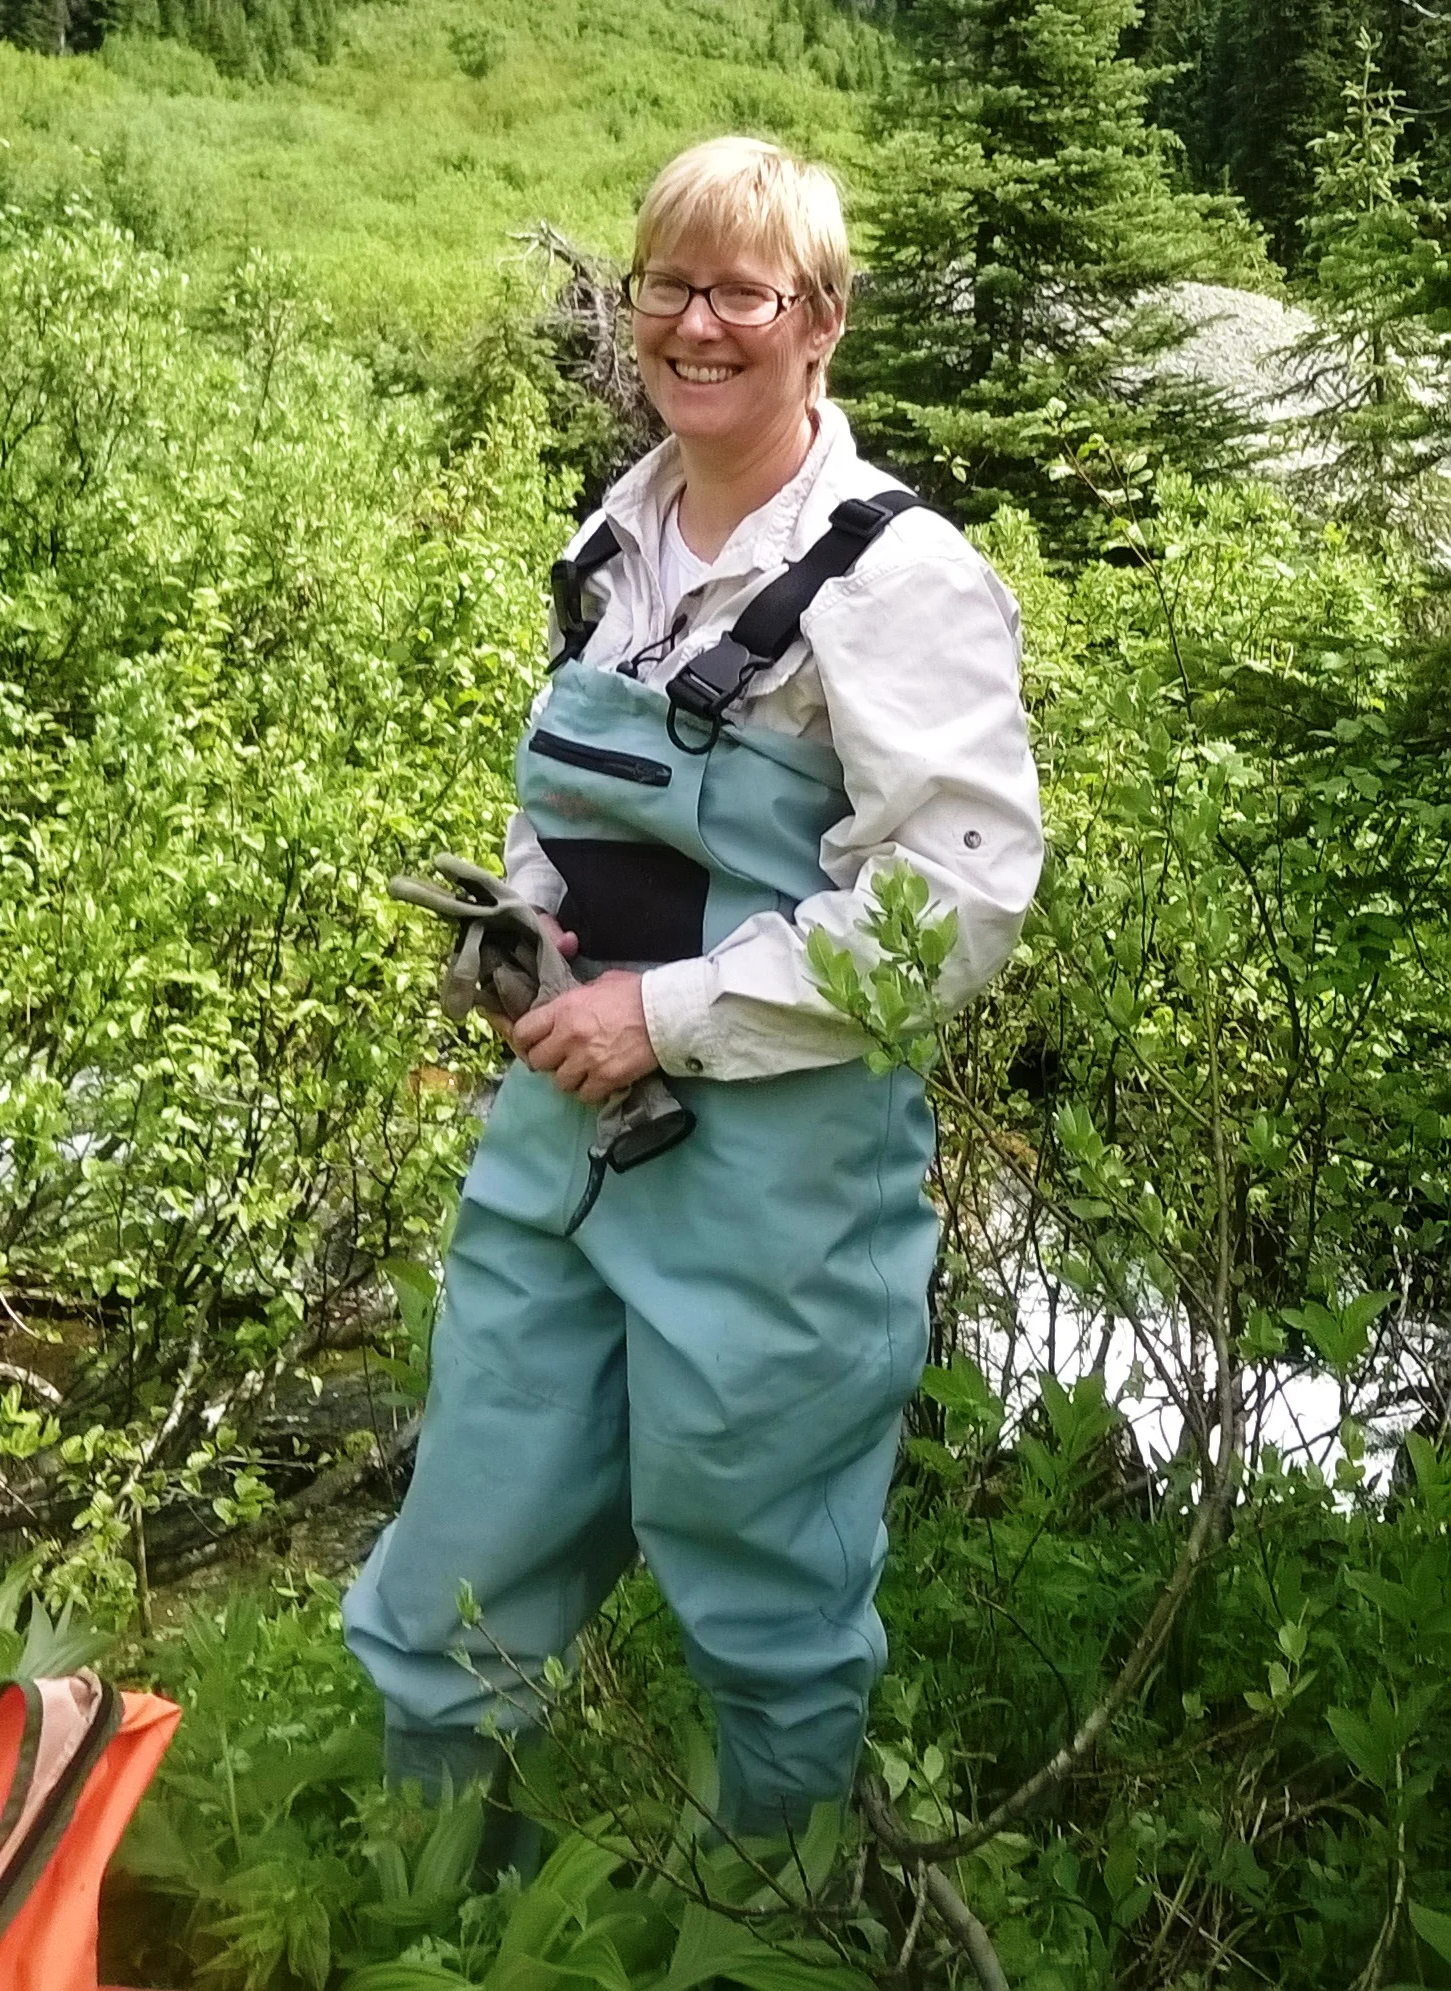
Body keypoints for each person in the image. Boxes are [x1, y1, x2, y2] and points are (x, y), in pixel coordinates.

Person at [343, 135, 1043, 1841]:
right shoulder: (620, 527)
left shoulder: (899, 578)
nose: (697, 325)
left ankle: (769, 1928)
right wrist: (521, 923)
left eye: (746, 292)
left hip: (777, 1195)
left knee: (767, 1606)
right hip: (558, 1135)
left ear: (823, 322)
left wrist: (659, 1014)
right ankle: (427, 1905)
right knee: (458, 1560)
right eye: (670, 284)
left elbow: (957, 900)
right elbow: (565, 796)